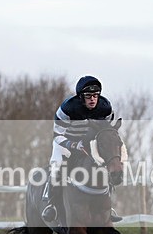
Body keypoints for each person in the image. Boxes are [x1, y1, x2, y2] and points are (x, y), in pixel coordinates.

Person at [42, 75, 121, 222]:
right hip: (65, 142)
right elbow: (57, 135)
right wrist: (73, 145)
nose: (92, 99)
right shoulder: (67, 108)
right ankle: (51, 203)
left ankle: (108, 208)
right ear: (81, 97)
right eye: (88, 96)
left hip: (90, 143)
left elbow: (107, 131)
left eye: (96, 96)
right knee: (57, 166)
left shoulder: (105, 107)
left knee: (105, 166)